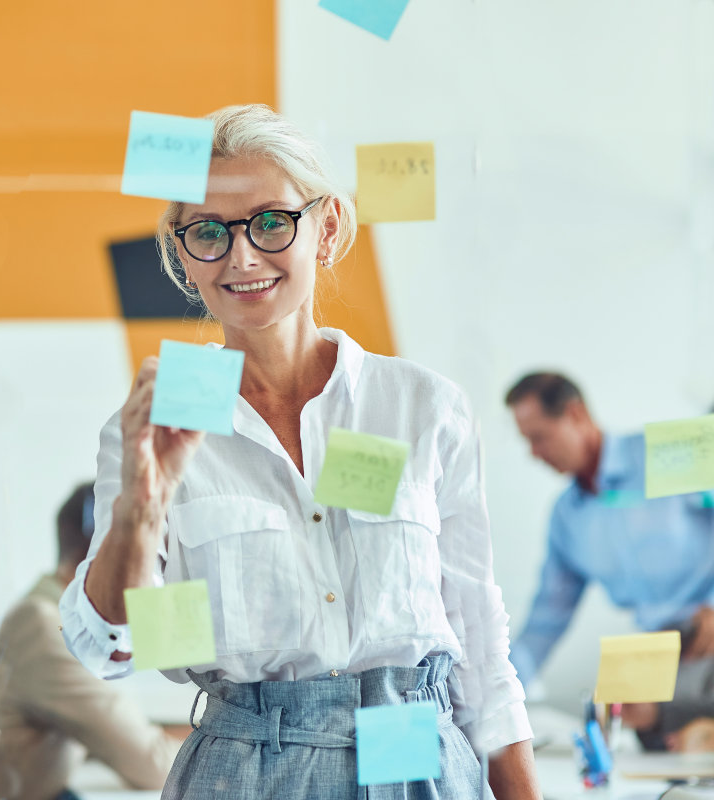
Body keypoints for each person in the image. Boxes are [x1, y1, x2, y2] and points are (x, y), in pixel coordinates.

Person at [59, 104, 540, 800]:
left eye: (272, 221)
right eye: (209, 233)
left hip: (414, 758)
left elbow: (480, 641)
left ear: (328, 227)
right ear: (182, 253)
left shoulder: (419, 407)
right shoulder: (156, 426)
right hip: (247, 768)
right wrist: (144, 504)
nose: (242, 256)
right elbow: (103, 648)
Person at [505, 372, 714, 748]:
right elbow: (545, 620)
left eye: (539, 438)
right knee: (636, 745)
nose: (533, 454)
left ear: (575, 414)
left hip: (708, 631)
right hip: (658, 650)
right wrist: (497, 690)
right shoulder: (568, 517)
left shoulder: (665, 453)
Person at [0, 483, 187, 800]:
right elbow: (154, 764)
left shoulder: (43, 610)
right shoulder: (42, 625)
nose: (155, 570)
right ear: (99, 553)